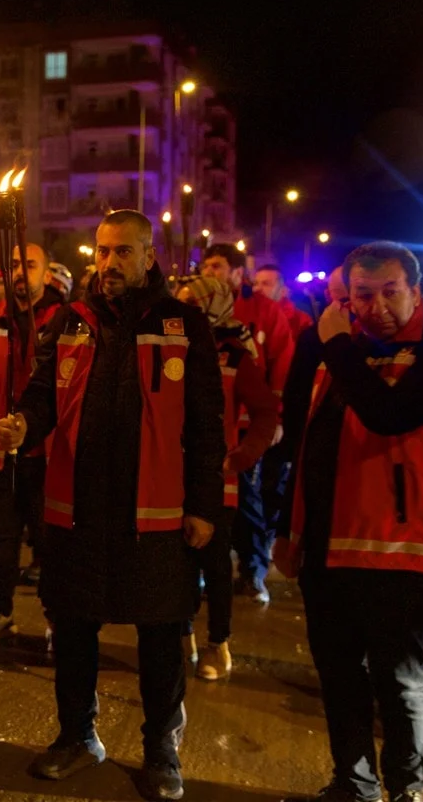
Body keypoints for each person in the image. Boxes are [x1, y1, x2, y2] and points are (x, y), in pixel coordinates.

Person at [0, 210, 224, 800]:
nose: (110, 263)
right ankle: (78, 735)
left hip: (154, 510)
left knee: (158, 635)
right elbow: (43, 393)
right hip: (77, 504)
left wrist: (204, 504)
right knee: (73, 628)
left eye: (123, 252)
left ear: (150, 257)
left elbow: (205, 424)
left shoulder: (184, 323)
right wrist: (24, 424)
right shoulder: (71, 320)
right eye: (102, 252)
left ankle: (160, 750)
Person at [275, 241, 423, 802]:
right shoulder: (340, 351)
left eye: (390, 292)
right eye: (362, 295)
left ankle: (406, 790)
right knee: (339, 676)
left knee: (400, 680)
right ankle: (354, 782)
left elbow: (388, 416)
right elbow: (302, 437)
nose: (376, 307)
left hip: (405, 550)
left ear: (415, 290)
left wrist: (337, 344)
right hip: (329, 549)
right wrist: (286, 528)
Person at [175, 276, 278, 680]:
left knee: (216, 565)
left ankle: (219, 642)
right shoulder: (169, 349)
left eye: (193, 306)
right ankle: (181, 634)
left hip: (218, 480)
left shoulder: (235, 357)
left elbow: (266, 411)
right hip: (171, 477)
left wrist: (244, 455)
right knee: (177, 565)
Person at [0, 242, 64, 648]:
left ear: (47, 273)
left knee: (47, 538)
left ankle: (56, 614)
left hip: (46, 450)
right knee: (3, 537)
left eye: (32, 265)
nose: (23, 272)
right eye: (18, 265)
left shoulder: (64, 318)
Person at [201, 244, 295, 604]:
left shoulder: (264, 311)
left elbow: (280, 363)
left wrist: (275, 418)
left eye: (218, 266)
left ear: (238, 273)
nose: (211, 272)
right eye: (207, 265)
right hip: (216, 427)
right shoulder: (200, 310)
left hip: (247, 428)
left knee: (248, 502)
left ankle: (254, 570)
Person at [254, 264, 313, 338]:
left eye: (266, 284)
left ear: (283, 290)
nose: (257, 289)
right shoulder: (247, 317)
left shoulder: (301, 322)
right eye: (255, 283)